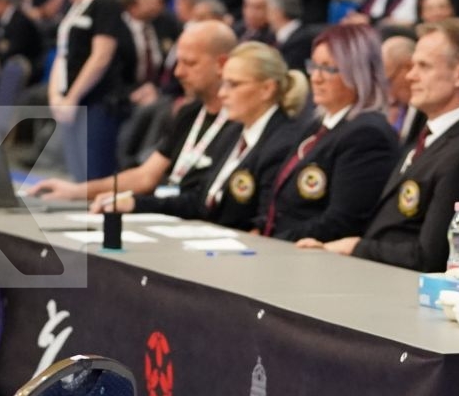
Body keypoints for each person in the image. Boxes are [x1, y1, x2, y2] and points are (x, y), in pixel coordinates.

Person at [304, 18, 459, 271]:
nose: (410, 76)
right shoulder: (434, 136)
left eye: (423, 66)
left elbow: (432, 258)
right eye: (412, 65)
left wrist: (355, 247)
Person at [31, 20, 235, 204]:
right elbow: (145, 176)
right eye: (178, 62)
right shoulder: (190, 114)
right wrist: (76, 191)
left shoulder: (240, 122)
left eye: (190, 63)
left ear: (221, 64)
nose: (178, 72)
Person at [103, 42, 303, 229]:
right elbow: (200, 201)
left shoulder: (284, 142)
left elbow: (267, 221)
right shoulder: (233, 132)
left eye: (233, 85)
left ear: (267, 89)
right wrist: (135, 203)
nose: (223, 93)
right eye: (223, 83)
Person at [261, 24, 400, 240]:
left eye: (328, 68)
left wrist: (274, 241)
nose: (316, 77)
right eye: (313, 66)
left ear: (358, 72)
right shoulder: (317, 124)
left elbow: (342, 222)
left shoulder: (367, 134)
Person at [48, 0, 130, 181]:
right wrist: (56, 96)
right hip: (71, 99)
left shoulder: (106, 3)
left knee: (93, 176)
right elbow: (62, 54)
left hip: (97, 101)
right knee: (77, 174)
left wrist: (72, 96)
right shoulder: (75, 5)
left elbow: (101, 57)